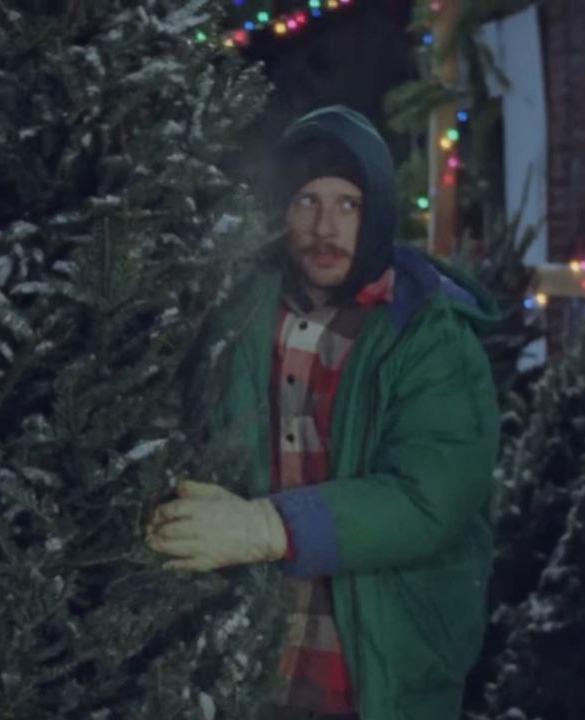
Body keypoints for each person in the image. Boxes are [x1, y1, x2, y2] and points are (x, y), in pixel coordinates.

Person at [144, 105, 501, 720]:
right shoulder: (241, 316)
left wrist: (267, 527)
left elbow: (428, 498)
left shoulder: (427, 335)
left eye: (348, 205)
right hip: (257, 664)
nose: (325, 227)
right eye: (307, 200)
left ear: (377, 212)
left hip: (379, 661)